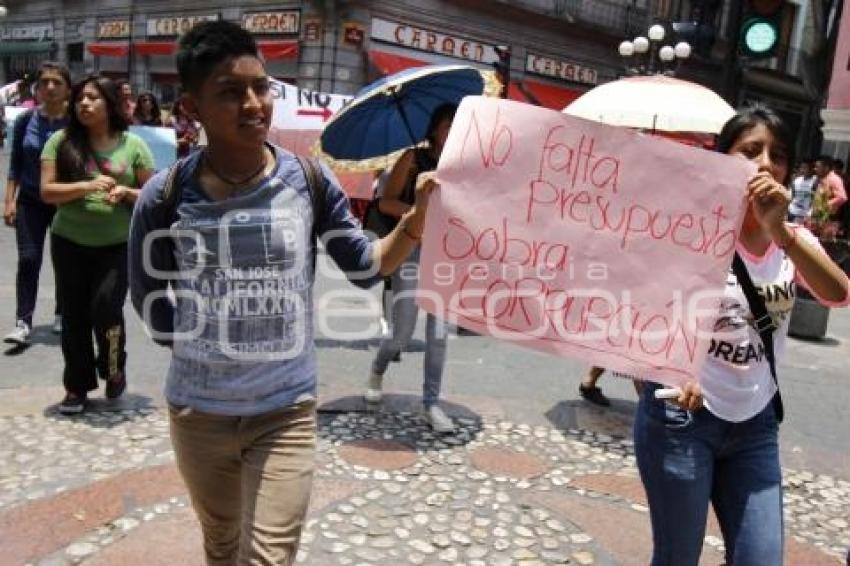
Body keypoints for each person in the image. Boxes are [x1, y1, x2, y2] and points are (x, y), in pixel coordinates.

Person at [128, 21, 434, 564]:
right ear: (193, 107)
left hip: (284, 410)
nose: (254, 104)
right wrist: (202, 349)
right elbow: (149, 294)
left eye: (261, 87)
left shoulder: (309, 182)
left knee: (270, 556)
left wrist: (416, 220)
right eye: (230, 92)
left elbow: (366, 267)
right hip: (199, 413)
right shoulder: (166, 194)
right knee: (221, 542)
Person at [634, 104, 850, 566]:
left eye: (779, 155)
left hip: (756, 427)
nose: (765, 163)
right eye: (750, 150)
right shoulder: (687, 231)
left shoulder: (792, 239)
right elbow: (643, 317)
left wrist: (780, 232)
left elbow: (838, 293)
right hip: (683, 419)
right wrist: (672, 370)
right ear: (721, 159)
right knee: (677, 557)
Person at [40, 75, 155, 414]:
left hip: (116, 244)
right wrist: (86, 187)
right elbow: (48, 191)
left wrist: (128, 192)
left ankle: (114, 367)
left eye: (92, 98)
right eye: (79, 99)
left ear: (109, 103)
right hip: (68, 240)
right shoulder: (60, 142)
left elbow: (152, 196)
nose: (84, 104)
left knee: (106, 307)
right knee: (73, 313)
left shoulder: (133, 145)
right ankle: (76, 386)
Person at [364, 104, 456, 433]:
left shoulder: (465, 164)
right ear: (434, 129)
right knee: (402, 332)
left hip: (448, 258)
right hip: (413, 251)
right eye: (447, 125)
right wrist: (420, 210)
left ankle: (432, 403)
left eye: (458, 126)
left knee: (440, 335)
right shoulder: (412, 159)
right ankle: (377, 369)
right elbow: (385, 202)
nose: (452, 132)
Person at [3, 62, 71, 346]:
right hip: (30, 201)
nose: (50, 87)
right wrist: (9, 201)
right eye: (45, 82)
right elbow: (15, 164)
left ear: (68, 88)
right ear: (38, 88)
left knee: (65, 261)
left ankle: (62, 313)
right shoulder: (24, 120)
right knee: (28, 259)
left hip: (66, 202)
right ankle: (23, 321)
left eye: (57, 82)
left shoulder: (77, 122)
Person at [788, 158, 817, 223]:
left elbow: (814, 198)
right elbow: (792, 195)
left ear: (812, 169)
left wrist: (810, 212)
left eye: (805, 168)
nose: (803, 170)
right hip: (792, 211)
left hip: (804, 215)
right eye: (802, 167)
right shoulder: (797, 180)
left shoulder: (815, 181)